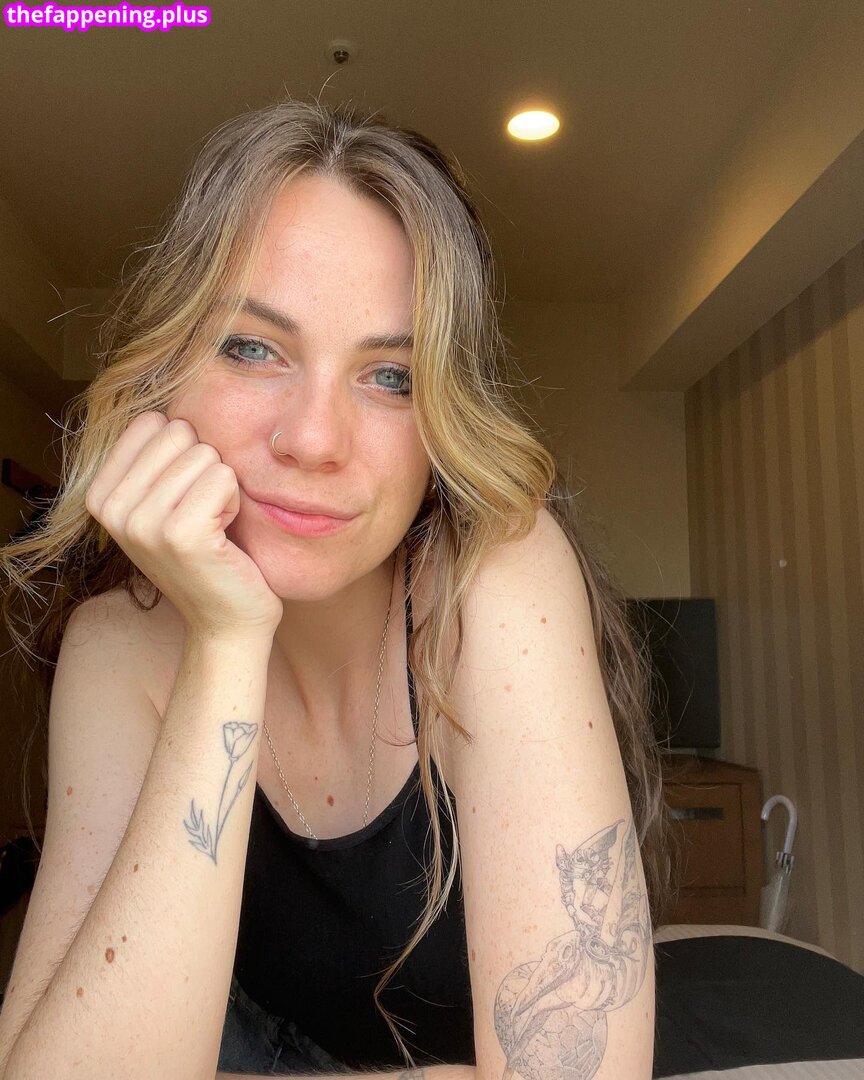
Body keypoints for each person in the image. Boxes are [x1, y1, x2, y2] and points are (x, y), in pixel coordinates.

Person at [0, 98, 679, 1079]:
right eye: (252, 348)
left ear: (443, 421)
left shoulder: (497, 580)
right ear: (163, 372)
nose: (314, 439)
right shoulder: (119, 648)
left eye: (391, 376)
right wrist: (226, 642)